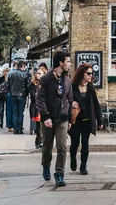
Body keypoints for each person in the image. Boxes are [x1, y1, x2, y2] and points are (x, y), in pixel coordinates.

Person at [36, 50, 73, 187]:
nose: (69, 64)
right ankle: (46, 165)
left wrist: (69, 118)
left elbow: (69, 100)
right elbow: (40, 99)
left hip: (62, 119)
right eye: (67, 61)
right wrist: (45, 116)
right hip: (48, 118)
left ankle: (59, 174)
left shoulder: (67, 80)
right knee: (47, 147)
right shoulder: (45, 79)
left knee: (62, 147)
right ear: (60, 63)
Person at [69, 63, 103, 175]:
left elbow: (96, 105)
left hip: (87, 119)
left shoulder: (90, 88)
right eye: (88, 73)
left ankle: (83, 166)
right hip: (75, 120)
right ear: (81, 73)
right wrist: (71, 103)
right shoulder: (72, 86)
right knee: (75, 143)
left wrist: (100, 120)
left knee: (85, 143)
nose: (90, 76)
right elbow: (64, 100)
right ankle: (73, 158)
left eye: (91, 74)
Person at [6, 60, 29, 135]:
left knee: (14, 112)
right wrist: (27, 94)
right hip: (22, 95)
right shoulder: (24, 74)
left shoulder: (11, 74)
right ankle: (19, 128)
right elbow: (26, 86)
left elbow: (8, 85)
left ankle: (15, 128)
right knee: (20, 112)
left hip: (13, 95)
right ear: (22, 67)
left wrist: (10, 92)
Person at [29, 68, 44, 149]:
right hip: (36, 108)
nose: (38, 75)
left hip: (44, 107)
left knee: (43, 126)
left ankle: (41, 141)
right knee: (39, 126)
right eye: (37, 73)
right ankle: (39, 142)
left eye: (40, 73)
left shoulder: (45, 84)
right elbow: (33, 96)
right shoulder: (32, 85)